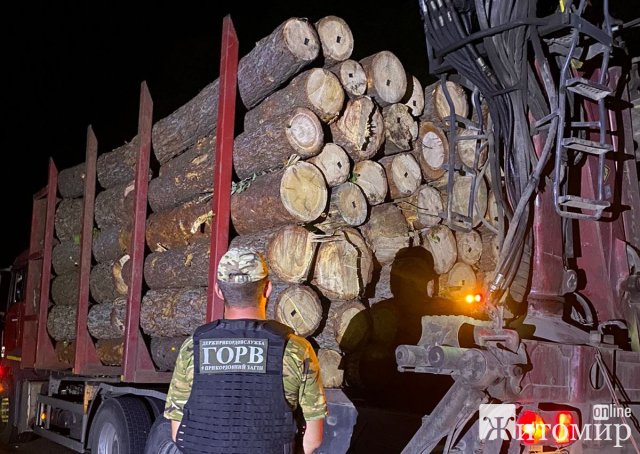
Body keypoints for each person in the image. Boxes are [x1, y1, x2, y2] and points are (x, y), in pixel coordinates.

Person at [163, 246, 327, 453]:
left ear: (219, 291)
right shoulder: (295, 349)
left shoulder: (192, 348)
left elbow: (178, 431)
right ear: (267, 289)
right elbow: (313, 440)